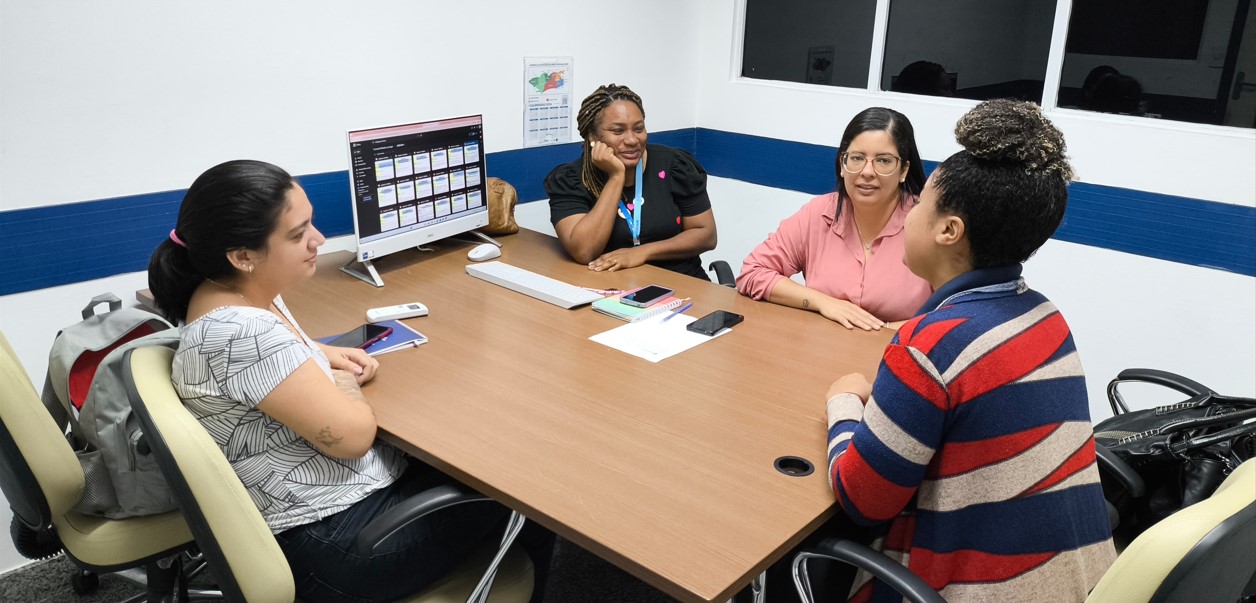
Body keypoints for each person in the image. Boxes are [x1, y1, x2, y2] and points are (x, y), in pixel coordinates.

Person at [147, 160, 508, 602]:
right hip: (334, 543)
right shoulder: (242, 330)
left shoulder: (226, 294)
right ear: (243, 256)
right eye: (298, 235)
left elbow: (262, 361)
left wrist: (317, 353)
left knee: (468, 449)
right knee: (521, 491)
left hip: (314, 510)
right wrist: (343, 383)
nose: (318, 240)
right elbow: (353, 437)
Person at [821, 100, 1117, 601]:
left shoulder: (930, 346)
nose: (909, 212)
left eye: (921, 203)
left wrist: (844, 403)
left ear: (948, 230)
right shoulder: (1044, 315)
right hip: (1079, 580)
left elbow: (863, 500)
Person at [736, 107, 931, 330]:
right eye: (857, 158)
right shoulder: (819, 213)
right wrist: (823, 302)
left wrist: (884, 331)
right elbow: (753, 272)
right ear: (842, 164)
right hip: (822, 352)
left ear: (904, 170)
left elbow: (956, 313)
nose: (867, 171)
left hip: (901, 353)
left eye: (884, 161)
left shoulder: (928, 223)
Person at [544, 83, 717, 279]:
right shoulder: (573, 180)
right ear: (592, 135)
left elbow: (706, 234)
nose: (632, 140)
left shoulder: (673, 166)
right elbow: (584, 251)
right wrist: (616, 177)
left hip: (682, 281)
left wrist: (642, 252)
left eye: (639, 128)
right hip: (609, 287)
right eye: (618, 131)